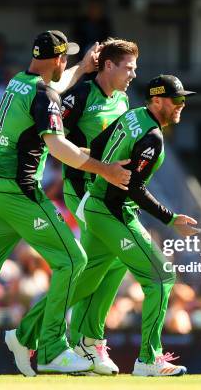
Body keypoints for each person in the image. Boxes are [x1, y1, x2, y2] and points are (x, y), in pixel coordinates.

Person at [0, 30, 131, 377]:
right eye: (66, 59)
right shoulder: (43, 94)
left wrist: (81, 69)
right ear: (57, 59)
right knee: (73, 258)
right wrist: (104, 169)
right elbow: (58, 147)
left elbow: (54, 89)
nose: (67, 64)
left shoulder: (19, 82)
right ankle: (52, 348)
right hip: (17, 191)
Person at [15, 74, 200, 377]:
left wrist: (89, 185)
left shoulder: (133, 115)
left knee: (86, 281)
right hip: (111, 210)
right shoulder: (151, 136)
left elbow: (97, 145)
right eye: (176, 100)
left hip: (95, 203)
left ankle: (24, 333)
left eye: (183, 100)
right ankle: (148, 360)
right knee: (161, 276)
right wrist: (170, 218)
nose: (181, 106)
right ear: (156, 100)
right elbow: (132, 189)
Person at [61, 37, 137, 374]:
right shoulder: (79, 96)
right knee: (106, 258)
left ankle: (85, 341)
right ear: (108, 65)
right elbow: (52, 139)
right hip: (82, 192)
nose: (134, 74)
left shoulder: (122, 99)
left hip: (110, 194)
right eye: (129, 68)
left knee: (117, 261)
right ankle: (66, 337)